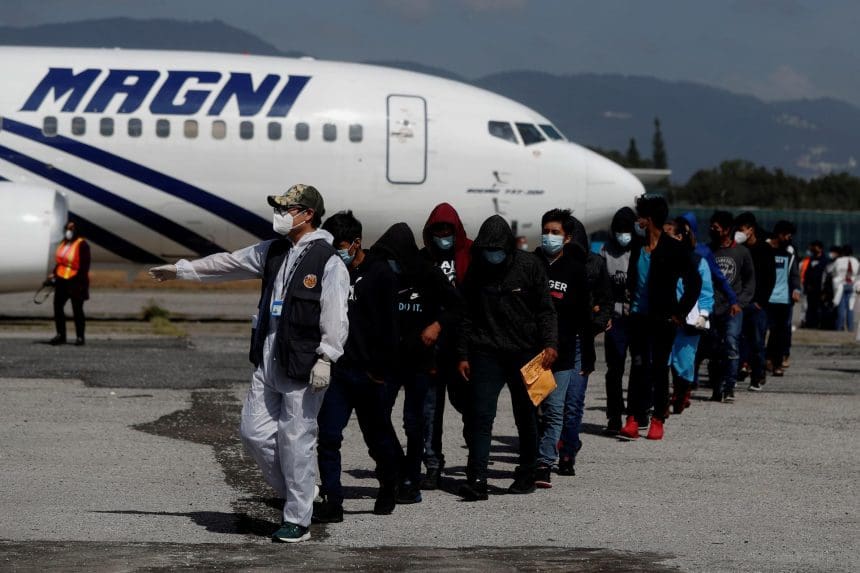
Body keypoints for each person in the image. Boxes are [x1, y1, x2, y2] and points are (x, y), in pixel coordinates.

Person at [149, 184, 349, 543]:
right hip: (269, 355)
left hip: (303, 363)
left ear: (308, 214)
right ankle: (302, 490)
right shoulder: (272, 251)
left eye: (288, 209)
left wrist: (327, 357)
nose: (281, 215)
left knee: (296, 439)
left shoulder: (328, 260)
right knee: (253, 433)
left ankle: (298, 520)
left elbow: (336, 314)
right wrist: (181, 270)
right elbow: (227, 263)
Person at [456, 215, 557, 501]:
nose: (492, 254)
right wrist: (462, 354)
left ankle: (526, 473)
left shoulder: (530, 266)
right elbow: (466, 315)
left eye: (496, 249)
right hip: (486, 351)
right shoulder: (477, 270)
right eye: (487, 249)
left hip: (528, 352)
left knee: (527, 415)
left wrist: (550, 344)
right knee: (480, 415)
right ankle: (477, 479)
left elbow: (546, 310)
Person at [313, 211, 403, 523]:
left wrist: (381, 371)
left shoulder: (380, 274)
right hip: (338, 371)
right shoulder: (329, 272)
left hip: (370, 373)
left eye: (339, 246)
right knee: (328, 436)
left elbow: (391, 328)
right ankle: (333, 500)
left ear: (355, 244)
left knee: (377, 437)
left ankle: (389, 485)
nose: (335, 252)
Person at [372, 222, 463, 504]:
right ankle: (393, 467)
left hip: (419, 362)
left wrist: (437, 325)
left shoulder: (428, 273)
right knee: (376, 418)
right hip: (387, 361)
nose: (390, 263)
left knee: (414, 423)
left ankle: (411, 478)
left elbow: (458, 306)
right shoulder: (381, 275)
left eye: (393, 256)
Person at [619, 194, 701, 441]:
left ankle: (658, 418)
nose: (637, 221)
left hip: (663, 318)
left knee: (658, 368)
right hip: (638, 317)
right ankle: (633, 417)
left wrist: (679, 313)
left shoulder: (675, 248)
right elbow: (634, 280)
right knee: (638, 366)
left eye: (640, 216)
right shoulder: (637, 247)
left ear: (649, 219)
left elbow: (694, 282)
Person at [534, 209, 595, 486]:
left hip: (564, 353)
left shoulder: (576, 271)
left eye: (555, 232)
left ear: (567, 237)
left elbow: (584, 316)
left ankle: (545, 464)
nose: (549, 236)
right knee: (533, 409)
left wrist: (589, 356)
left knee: (555, 409)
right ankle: (531, 457)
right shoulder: (531, 264)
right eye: (546, 230)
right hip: (533, 353)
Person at [419, 203, 472, 490]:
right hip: (432, 349)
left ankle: (474, 461)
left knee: (469, 406)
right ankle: (433, 465)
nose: (443, 235)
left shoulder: (469, 256)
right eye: (438, 230)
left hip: (463, 346)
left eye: (447, 230)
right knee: (430, 411)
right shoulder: (423, 259)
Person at [665, 217, 713, 414]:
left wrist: (704, 314)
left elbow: (706, 292)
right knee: (662, 360)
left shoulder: (697, 261)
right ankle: (660, 401)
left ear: (679, 236)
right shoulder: (656, 258)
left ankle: (681, 394)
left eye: (669, 235)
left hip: (689, 320)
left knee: (684, 361)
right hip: (664, 318)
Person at [706, 211, 754, 402]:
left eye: (716, 228)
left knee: (732, 343)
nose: (712, 230)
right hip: (711, 307)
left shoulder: (742, 252)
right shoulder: (708, 251)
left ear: (726, 230)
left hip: (733, 308)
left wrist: (741, 303)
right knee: (714, 349)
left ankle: (729, 385)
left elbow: (750, 281)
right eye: (711, 227)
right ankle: (716, 387)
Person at [599, 207, 638, 434]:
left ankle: (635, 412)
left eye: (627, 230)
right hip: (614, 317)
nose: (623, 235)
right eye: (619, 230)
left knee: (639, 367)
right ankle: (614, 415)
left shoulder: (640, 250)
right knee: (615, 369)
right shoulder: (606, 250)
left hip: (636, 315)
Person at [734, 212, 776, 391]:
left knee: (757, 341)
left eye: (741, 229)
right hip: (740, 302)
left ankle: (758, 376)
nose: (739, 232)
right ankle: (734, 373)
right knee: (736, 339)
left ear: (750, 230)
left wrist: (761, 301)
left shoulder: (764, 249)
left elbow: (770, 277)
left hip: (757, 303)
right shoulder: (738, 249)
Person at [766, 221, 801, 377]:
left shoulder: (790, 253)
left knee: (779, 334)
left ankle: (777, 364)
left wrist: (796, 289)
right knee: (760, 332)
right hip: (765, 298)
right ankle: (762, 360)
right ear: (779, 234)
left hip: (783, 299)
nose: (789, 237)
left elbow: (794, 273)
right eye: (787, 235)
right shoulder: (765, 249)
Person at [48, 221, 91, 346]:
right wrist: (54, 274)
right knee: (58, 307)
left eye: (71, 228)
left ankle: (80, 337)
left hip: (76, 282)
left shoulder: (82, 244)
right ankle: (61, 335)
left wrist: (80, 283)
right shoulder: (64, 243)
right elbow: (60, 262)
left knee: (77, 310)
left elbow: (84, 266)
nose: (68, 231)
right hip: (62, 280)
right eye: (67, 228)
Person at [830, 245, 859, 332]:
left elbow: (833, 272)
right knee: (850, 308)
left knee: (841, 307)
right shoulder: (855, 261)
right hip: (852, 285)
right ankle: (850, 328)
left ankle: (839, 327)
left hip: (840, 285)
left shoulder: (838, 260)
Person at [802, 241, 827, 329]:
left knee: (819, 308)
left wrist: (824, 290)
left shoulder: (825, 260)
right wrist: (806, 285)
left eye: (815, 247)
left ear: (820, 249)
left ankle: (819, 324)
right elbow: (807, 274)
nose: (813, 249)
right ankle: (810, 323)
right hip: (810, 288)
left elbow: (826, 276)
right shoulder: (811, 259)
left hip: (820, 288)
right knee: (810, 307)